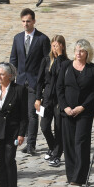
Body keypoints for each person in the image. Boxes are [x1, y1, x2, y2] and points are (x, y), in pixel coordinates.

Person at [56, 39, 94, 186]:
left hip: (84, 113)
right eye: (77, 50)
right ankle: (71, 175)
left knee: (81, 144)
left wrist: (83, 107)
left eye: (82, 51)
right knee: (68, 144)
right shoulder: (65, 66)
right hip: (67, 112)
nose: (79, 53)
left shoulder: (93, 69)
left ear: (87, 53)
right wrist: (65, 107)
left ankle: (80, 177)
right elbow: (59, 88)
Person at [10, 8, 50, 156]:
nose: (26, 24)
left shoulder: (42, 39)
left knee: (32, 114)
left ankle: (31, 144)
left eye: (28, 21)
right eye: (23, 21)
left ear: (34, 21)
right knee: (21, 114)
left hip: (35, 82)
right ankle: (21, 138)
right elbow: (13, 60)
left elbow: (47, 63)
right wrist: (11, 81)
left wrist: (44, 83)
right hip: (20, 82)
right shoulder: (17, 38)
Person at [35, 35, 69, 167]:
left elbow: (59, 72)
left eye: (57, 46)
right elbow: (39, 81)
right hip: (47, 99)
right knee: (44, 126)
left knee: (59, 128)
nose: (55, 48)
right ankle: (53, 147)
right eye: (53, 46)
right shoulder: (46, 60)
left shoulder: (65, 62)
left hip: (59, 100)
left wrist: (60, 56)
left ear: (62, 46)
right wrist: (38, 98)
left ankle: (56, 155)